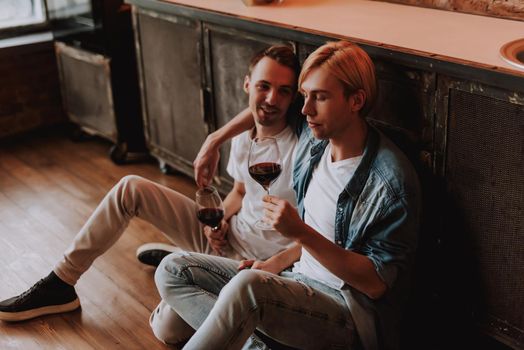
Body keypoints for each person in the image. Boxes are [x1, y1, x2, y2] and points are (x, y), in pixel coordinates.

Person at [0, 45, 301, 345]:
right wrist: (219, 221)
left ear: (294, 97)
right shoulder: (243, 135)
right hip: (224, 239)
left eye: (284, 91)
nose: (272, 99)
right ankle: (60, 283)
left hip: (256, 268)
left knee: (167, 330)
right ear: (247, 83)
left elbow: (317, 232)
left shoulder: (303, 146)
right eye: (264, 86)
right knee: (131, 187)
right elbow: (239, 190)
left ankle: (183, 263)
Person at [156, 40, 421, 350]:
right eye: (304, 95)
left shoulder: (391, 182)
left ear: (356, 100)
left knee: (245, 288)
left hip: (344, 309)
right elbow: (264, 107)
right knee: (172, 269)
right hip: (294, 278)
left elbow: (376, 284)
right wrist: (214, 140)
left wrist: (301, 233)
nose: (305, 109)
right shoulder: (315, 137)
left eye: (319, 97)